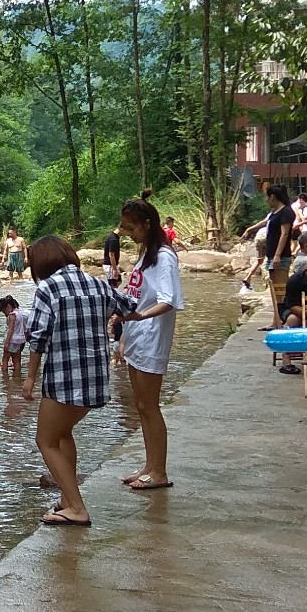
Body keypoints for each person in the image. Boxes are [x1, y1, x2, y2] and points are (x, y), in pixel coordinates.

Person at [21, 235, 134, 527]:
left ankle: (77, 508)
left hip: (63, 378)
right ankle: (67, 499)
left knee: (44, 441)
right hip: (96, 378)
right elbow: (130, 307)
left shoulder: (47, 288)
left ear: (42, 262)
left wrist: (30, 378)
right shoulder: (97, 283)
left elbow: (38, 337)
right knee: (62, 434)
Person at [116, 197, 184, 491]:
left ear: (147, 224)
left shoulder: (165, 257)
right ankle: (149, 465)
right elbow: (136, 296)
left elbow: (169, 301)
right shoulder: (147, 254)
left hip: (151, 338)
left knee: (150, 406)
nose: (128, 234)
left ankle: (159, 472)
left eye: (132, 228)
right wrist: (123, 333)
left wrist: (139, 317)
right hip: (136, 336)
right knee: (140, 406)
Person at [263, 183, 297, 279]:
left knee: (280, 288)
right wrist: (249, 230)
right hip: (272, 255)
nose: (266, 200)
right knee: (274, 288)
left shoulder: (286, 211)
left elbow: (284, 234)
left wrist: (277, 255)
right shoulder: (274, 212)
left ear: (272, 197)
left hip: (281, 257)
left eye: (267, 197)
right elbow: (265, 222)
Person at [0, 294, 29, 373]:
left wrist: (7, 342)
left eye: (4, 311)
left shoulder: (12, 315)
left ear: (8, 307)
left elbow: (10, 330)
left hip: (12, 340)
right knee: (17, 360)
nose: (5, 314)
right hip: (20, 340)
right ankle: (17, 377)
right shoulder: (20, 314)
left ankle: (5, 378)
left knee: (5, 359)